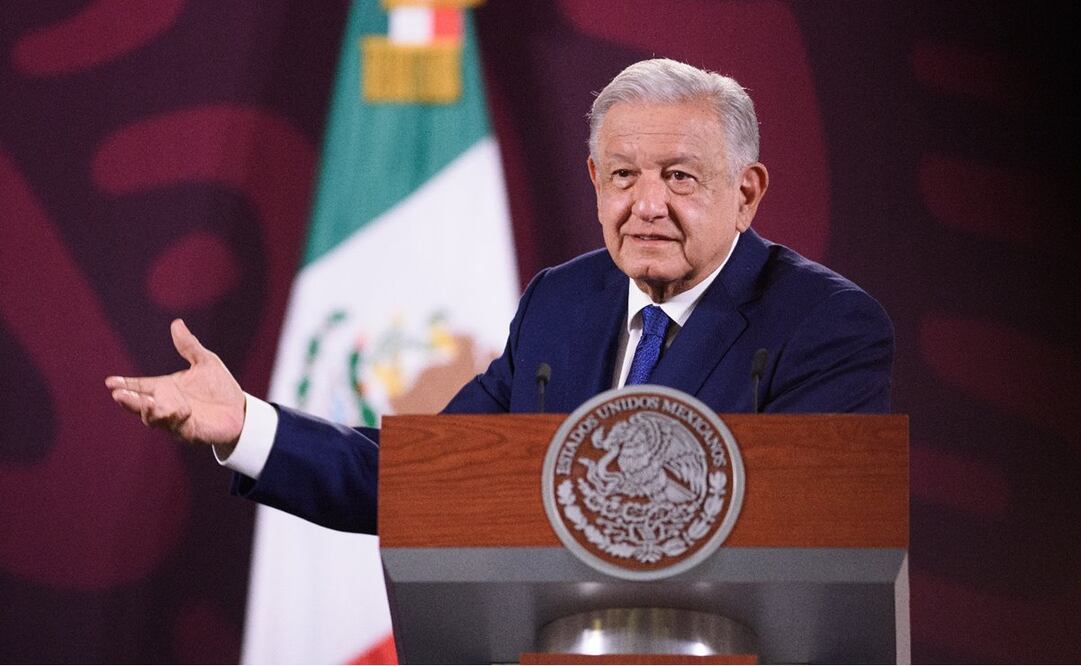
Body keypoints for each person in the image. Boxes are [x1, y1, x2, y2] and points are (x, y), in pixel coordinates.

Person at [106, 58, 893, 534]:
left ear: (746, 192)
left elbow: (805, 540)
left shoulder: (826, 325)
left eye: (680, 177)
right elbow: (433, 481)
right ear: (595, 181)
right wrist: (247, 425)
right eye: (623, 176)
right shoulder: (563, 303)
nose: (646, 204)